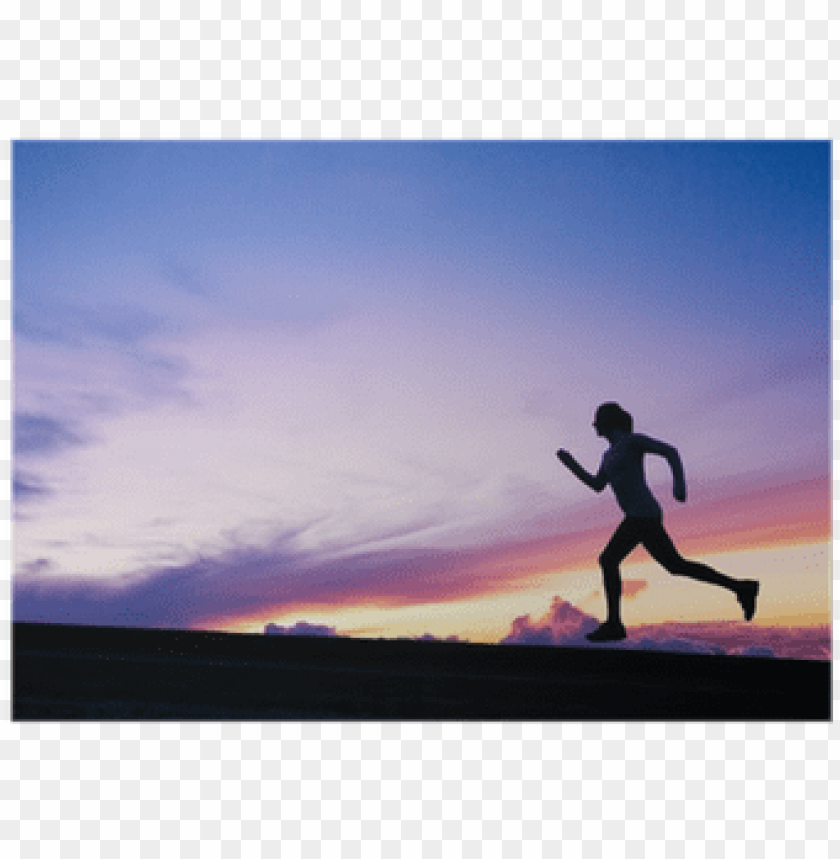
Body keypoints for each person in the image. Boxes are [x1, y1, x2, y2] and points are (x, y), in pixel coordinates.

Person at [556, 402, 759, 642]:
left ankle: (614, 624)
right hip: (638, 515)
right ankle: (742, 587)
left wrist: (679, 485)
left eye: (597, 418)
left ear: (610, 421)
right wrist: (571, 465)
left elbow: (670, 452)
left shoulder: (632, 441)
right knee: (676, 565)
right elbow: (597, 485)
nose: (594, 424)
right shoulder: (608, 455)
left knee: (609, 559)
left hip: (643, 514)